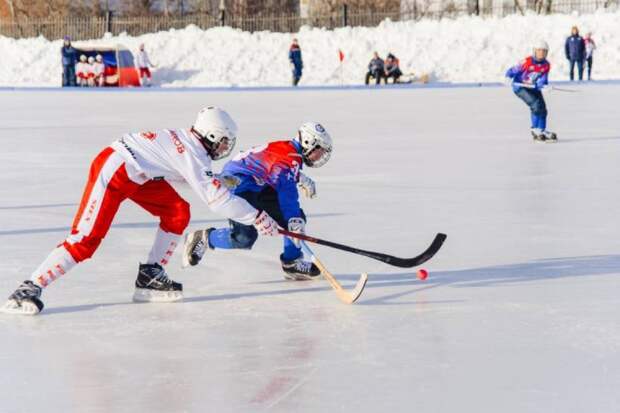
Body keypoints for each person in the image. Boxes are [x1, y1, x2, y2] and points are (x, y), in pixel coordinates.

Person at [1, 107, 280, 315]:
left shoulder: (190, 145)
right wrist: (256, 217)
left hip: (138, 174)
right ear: (211, 136)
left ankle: (150, 276)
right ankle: (28, 288)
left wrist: (216, 179)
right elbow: (215, 199)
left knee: (177, 211)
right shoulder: (192, 152)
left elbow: (187, 178)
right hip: (115, 169)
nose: (224, 148)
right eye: (223, 141)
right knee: (86, 240)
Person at [183, 122, 333, 281]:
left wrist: (298, 177)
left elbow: (274, 167)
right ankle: (205, 237)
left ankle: (292, 262)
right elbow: (286, 193)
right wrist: (293, 220)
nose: (321, 155)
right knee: (244, 238)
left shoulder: (288, 150)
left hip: (259, 184)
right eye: (320, 150)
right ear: (309, 144)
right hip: (239, 184)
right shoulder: (289, 157)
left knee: (293, 220)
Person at [505, 40, 557, 142]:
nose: (541, 53)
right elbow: (513, 70)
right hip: (520, 87)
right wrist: (507, 77)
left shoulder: (546, 65)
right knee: (535, 105)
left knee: (543, 109)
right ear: (534, 51)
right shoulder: (526, 62)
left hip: (533, 88)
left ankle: (542, 130)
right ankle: (535, 130)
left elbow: (543, 79)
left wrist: (545, 86)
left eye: (544, 51)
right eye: (539, 50)